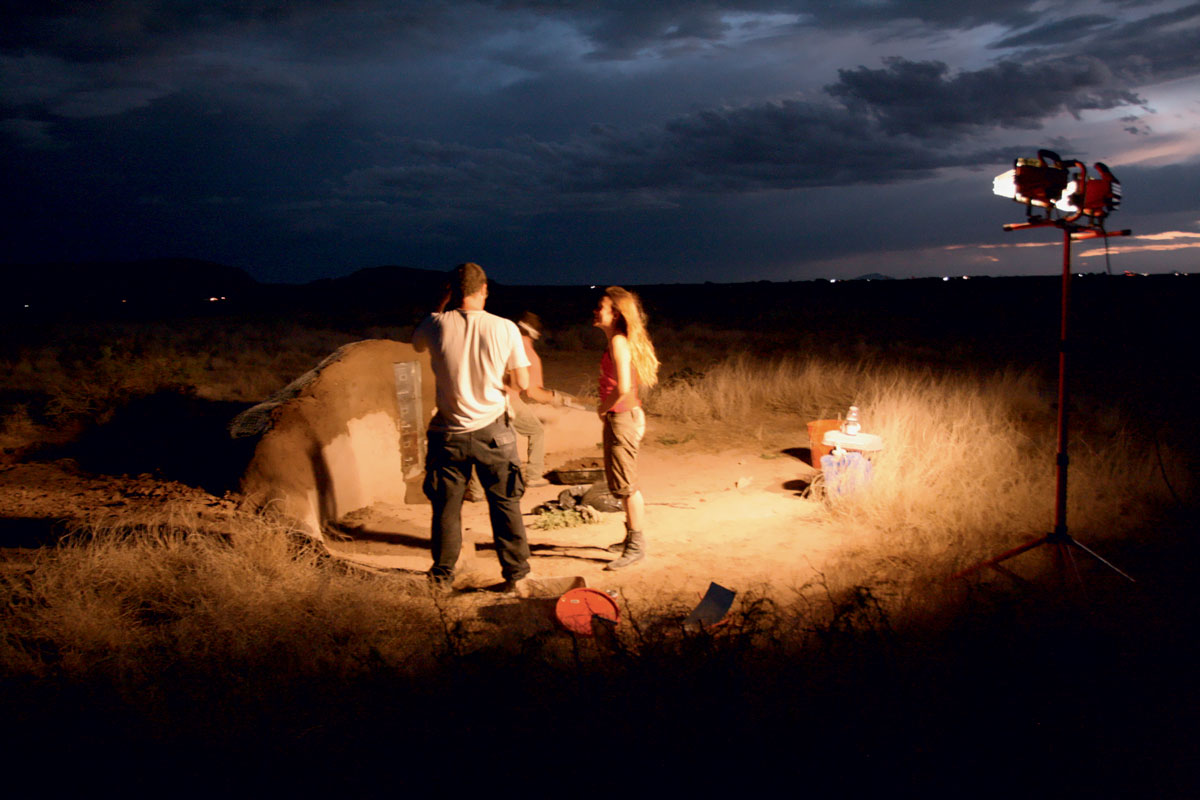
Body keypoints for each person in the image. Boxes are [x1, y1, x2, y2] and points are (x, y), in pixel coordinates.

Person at [412, 263, 532, 593]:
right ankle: (516, 575)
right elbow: (523, 381)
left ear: (451, 291)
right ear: (484, 290)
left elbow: (417, 345)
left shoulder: (435, 324)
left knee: (446, 510)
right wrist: (506, 386)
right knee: (505, 504)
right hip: (493, 431)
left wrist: (439, 304)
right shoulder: (504, 327)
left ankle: (442, 576)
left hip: (447, 432)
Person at [593, 286, 659, 570]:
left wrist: (603, 407)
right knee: (620, 484)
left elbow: (624, 387)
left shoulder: (619, 342)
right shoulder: (616, 341)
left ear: (615, 314)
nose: (596, 311)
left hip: (622, 418)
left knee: (627, 487)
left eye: (601, 307)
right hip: (619, 417)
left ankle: (636, 546)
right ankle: (630, 538)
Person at [464, 311, 561, 500]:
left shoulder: (503, 344)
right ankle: (533, 476)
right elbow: (532, 391)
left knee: (484, 438)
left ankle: (475, 490)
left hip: (484, 394)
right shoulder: (530, 355)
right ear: (536, 334)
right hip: (507, 398)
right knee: (536, 431)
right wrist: (554, 398)